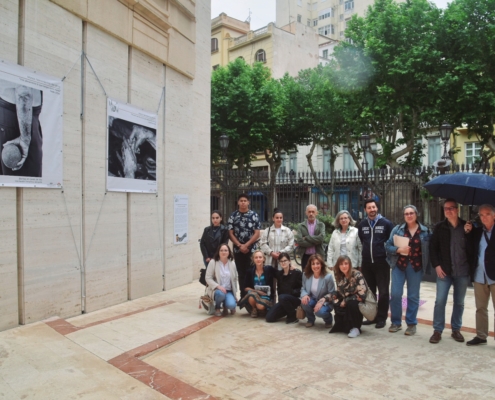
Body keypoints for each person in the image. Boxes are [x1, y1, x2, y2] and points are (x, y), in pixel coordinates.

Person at [429, 198, 475, 344]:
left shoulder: (467, 227)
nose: (448, 211)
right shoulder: (439, 227)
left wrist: (469, 234)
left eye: (451, 208)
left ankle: (456, 329)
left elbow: (473, 250)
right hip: (444, 271)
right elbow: (432, 248)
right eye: (446, 208)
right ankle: (437, 330)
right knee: (440, 301)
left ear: (458, 209)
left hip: (462, 271)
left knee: (459, 302)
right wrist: (436, 265)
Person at [385, 205, 431, 336]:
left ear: (416, 214)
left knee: (413, 296)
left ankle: (411, 324)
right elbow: (387, 245)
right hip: (399, 265)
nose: (409, 215)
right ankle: (396, 322)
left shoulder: (425, 231)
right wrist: (398, 250)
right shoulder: (397, 230)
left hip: (415, 267)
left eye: (411, 213)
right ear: (404, 216)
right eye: (406, 214)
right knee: (395, 294)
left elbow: (431, 248)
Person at [357, 199, 394, 329]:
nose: (372, 210)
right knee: (370, 293)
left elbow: (391, 241)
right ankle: (372, 317)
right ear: (365, 210)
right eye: (369, 208)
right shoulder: (362, 225)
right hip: (367, 263)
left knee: (383, 292)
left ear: (376, 208)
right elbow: (362, 241)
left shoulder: (386, 223)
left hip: (382, 262)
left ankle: (382, 318)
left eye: (373, 207)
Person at [466, 204, 495, 346]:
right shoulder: (477, 232)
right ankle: (481, 335)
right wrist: (467, 232)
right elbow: (470, 249)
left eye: (487, 214)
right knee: (481, 308)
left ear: (494, 215)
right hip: (479, 275)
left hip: (494, 276)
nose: (484, 217)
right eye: (481, 215)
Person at [0, 82, 43, 177]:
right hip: (19, 119)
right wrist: (25, 138)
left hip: (16, 116)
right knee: (26, 182)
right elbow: (23, 93)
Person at [227, 193, 261, 297]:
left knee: (251, 273)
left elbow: (257, 233)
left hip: (251, 250)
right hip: (238, 251)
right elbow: (230, 233)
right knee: (241, 274)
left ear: (248, 202)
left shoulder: (254, 215)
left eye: (245, 201)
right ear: (238, 202)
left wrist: (246, 245)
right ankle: (243, 295)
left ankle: (251, 295)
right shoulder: (233, 216)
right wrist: (239, 245)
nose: (243, 203)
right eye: (241, 201)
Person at [328, 256, 368, 338]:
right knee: (335, 301)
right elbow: (339, 291)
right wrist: (327, 298)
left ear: (350, 264)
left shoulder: (357, 274)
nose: (344, 266)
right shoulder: (339, 276)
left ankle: (356, 328)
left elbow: (363, 294)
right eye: (341, 264)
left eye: (346, 263)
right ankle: (342, 325)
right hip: (346, 299)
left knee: (352, 303)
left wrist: (346, 300)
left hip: (357, 301)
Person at [265, 252, 302, 324]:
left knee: (282, 297)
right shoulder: (279, 274)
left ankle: (293, 316)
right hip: (283, 301)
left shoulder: (296, 273)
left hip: (295, 300)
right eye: (281, 261)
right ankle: (289, 311)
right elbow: (269, 268)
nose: (283, 263)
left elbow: (302, 288)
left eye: (285, 260)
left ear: (289, 261)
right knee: (269, 318)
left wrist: (292, 292)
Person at [300, 254, 335, 328]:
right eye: (313, 264)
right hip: (312, 299)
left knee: (319, 312)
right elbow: (303, 288)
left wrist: (323, 300)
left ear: (321, 264)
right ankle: (310, 320)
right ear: (310, 265)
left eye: (318, 263)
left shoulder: (328, 277)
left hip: (325, 302)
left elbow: (332, 294)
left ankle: (328, 319)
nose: (315, 266)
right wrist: (305, 295)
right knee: (304, 302)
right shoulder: (305, 275)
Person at [237, 250, 276, 318]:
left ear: (264, 258)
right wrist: (257, 291)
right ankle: (254, 308)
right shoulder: (250, 271)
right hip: (255, 294)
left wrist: (290, 267)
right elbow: (246, 287)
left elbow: (280, 274)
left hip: (266, 295)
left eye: (260, 257)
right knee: (251, 295)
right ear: (253, 259)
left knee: (260, 306)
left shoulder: (269, 269)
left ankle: (261, 309)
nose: (258, 259)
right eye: (256, 257)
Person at [205, 243, 238, 317]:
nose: (224, 252)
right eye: (221, 250)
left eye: (226, 250)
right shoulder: (213, 262)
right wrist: (218, 286)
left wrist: (235, 294)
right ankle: (217, 307)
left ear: (229, 252)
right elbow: (208, 278)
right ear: (218, 252)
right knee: (220, 294)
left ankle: (225, 306)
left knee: (232, 305)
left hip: (228, 290)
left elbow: (235, 279)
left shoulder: (232, 263)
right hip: (217, 290)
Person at [294, 204, 326, 270]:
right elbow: (300, 241)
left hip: (318, 255)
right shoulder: (301, 226)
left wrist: (306, 237)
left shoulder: (321, 225)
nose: (311, 213)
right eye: (309, 212)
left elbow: (321, 238)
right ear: (306, 213)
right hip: (305, 256)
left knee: (319, 277)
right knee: (306, 277)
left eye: (313, 212)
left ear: (316, 213)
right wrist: (315, 241)